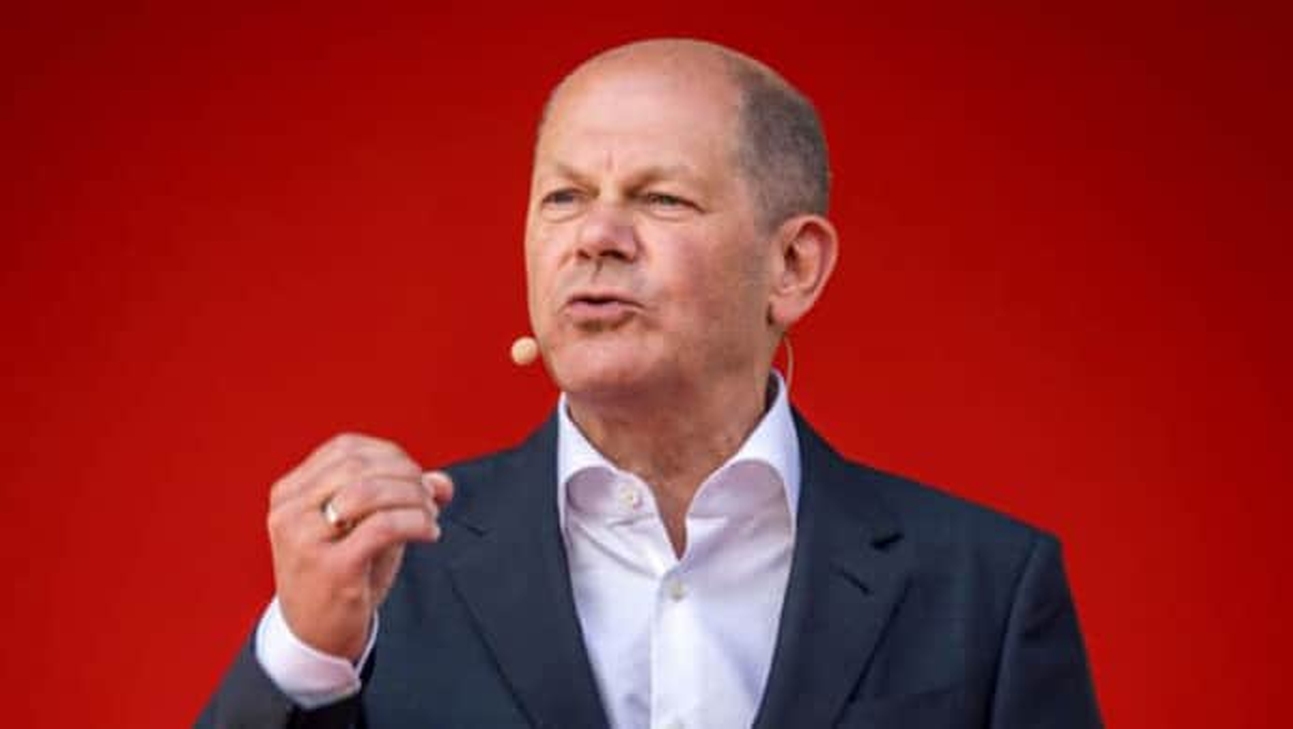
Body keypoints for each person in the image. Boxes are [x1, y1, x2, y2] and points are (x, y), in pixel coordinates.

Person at [197, 38, 1101, 728]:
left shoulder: (984, 586)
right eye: (563, 198)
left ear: (792, 265)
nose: (596, 236)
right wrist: (304, 651)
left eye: (661, 198)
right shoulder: (389, 573)